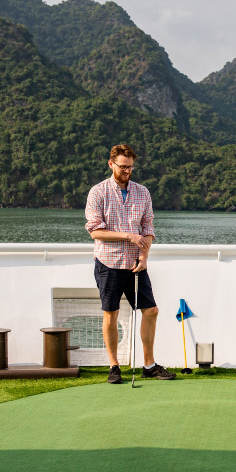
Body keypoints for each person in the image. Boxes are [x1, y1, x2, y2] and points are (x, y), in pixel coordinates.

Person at [85, 144, 176, 383]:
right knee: (111, 313)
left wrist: (144, 255)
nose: (127, 171)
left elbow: (147, 227)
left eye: (130, 167)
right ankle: (114, 367)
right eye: (122, 167)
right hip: (108, 263)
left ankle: (149, 365)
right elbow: (95, 231)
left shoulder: (142, 192)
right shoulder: (98, 192)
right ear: (111, 164)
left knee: (151, 310)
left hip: (136, 263)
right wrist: (128, 236)